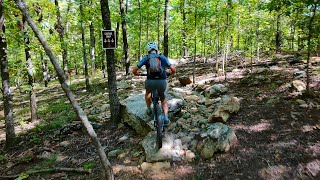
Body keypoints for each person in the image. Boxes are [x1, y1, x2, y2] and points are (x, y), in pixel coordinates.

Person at [132, 42, 176, 125]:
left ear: (148, 50)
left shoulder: (146, 58)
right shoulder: (162, 57)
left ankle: (149, 109)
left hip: (150, 82)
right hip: (162, 82)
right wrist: (169, 73)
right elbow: (173, 70)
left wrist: (137, 74)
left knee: (148, 93)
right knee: (163, 99)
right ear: (156, 49)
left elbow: (134, 70)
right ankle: (166, 118)